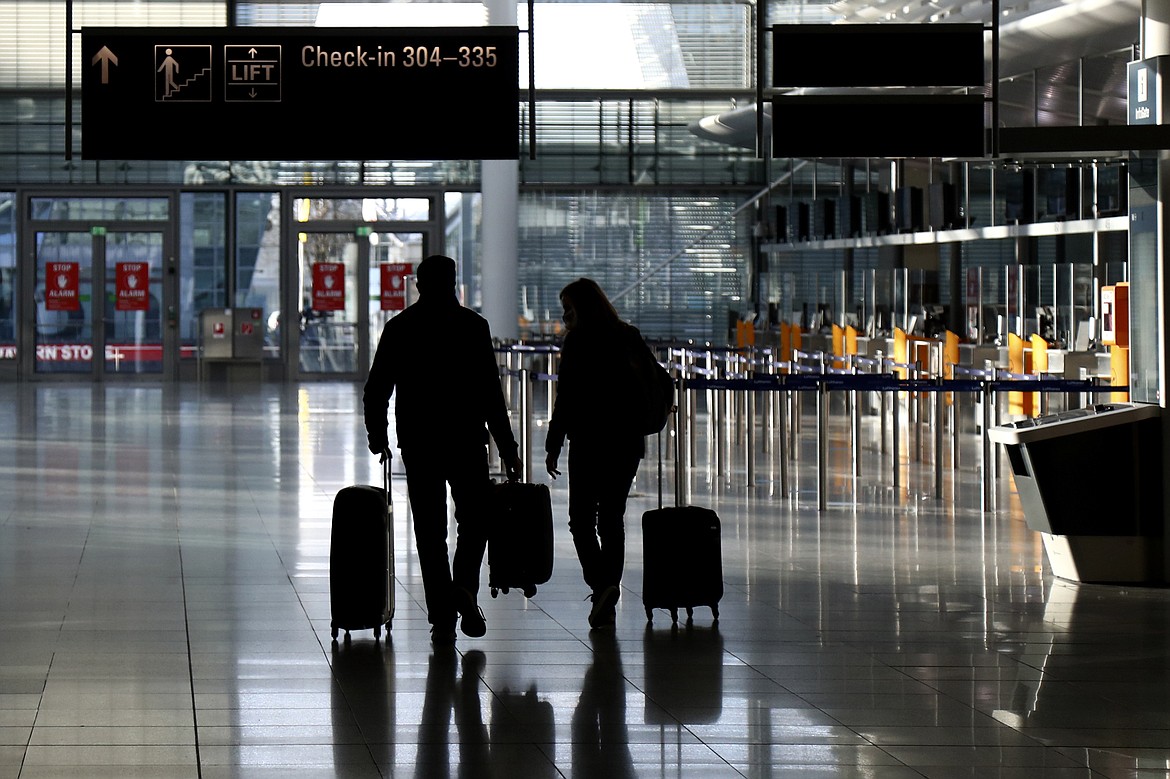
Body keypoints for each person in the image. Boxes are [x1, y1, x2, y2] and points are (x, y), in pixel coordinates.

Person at [364, 254, 522, 645]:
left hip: (420, 443)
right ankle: (464, 588)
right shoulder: (473, 326)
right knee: (475, 519)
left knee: (429, 531)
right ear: (454, 282)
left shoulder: (401, 327)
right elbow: (490, 394)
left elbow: (377, 389)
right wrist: (508, 447)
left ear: (419, 284)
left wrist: (378, 436)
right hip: (466, 440)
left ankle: (442, 616)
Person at [544, 277, 654, 629]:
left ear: (582, 307)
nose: (564, 316)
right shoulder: (628, 335)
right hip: (626, 442)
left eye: (568, 308)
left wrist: (553, 443)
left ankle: (602, 586)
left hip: (590, 442)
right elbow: (651, 380)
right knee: (611, 519)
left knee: (581, 520)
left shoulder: (578, 342)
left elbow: (567, 397)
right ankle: (607, 590)